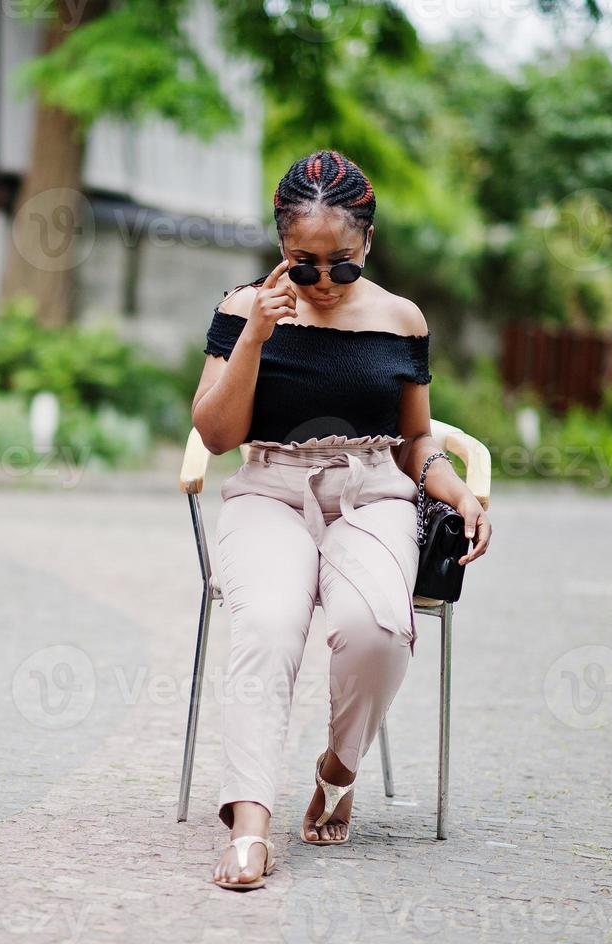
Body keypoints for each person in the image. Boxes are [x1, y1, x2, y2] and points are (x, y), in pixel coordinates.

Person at [190, 150, 491, 890]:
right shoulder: (240, 308)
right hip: (268, 491)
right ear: (279, 251)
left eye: (342, 265)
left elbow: (415, 440)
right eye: (302, 265)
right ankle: (250, 822)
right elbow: (217, 434)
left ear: (369, 244)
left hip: (372, 494)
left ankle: (337, 767)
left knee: (377, 626)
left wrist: (458, 495)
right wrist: (257, 337)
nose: (323, 282)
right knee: (264, 623)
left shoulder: (400, 320)